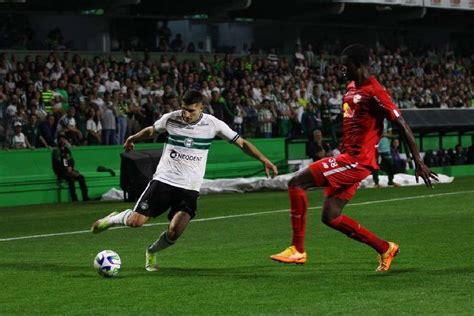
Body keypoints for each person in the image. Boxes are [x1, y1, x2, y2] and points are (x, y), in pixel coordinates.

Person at [270, 44, 438, 272]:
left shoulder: (375, 91)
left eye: (345, 65)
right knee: (331, 216)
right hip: (348, 157)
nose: (342, 69)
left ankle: (297, 249)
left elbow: (401, 123)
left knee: (296, 183)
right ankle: (385, 248)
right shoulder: (350, 87)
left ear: (358, 65)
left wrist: (418, 162)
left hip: (357, 161)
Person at [91, 90, 278, 272]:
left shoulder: (213, 124)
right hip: (164, 180)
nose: (186, 114)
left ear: (201, 108)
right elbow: (152, 130)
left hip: (189, 188)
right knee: (136, 222)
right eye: (184, 109)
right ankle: (113, 218)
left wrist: (263, 159)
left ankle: (151, 252)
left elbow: (242, 143)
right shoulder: (171, 118)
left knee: (174, 232)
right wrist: (133, 137)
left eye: (191, 111)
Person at [52, 134, 89, 202]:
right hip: (60, 171)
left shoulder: (66, 150)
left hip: (68, 170)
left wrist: (71, 168)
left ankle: (85, 197)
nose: (63, 141)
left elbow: (70, 160)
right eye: (61, 140)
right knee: (71, 179)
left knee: (81, 177)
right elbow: (59, 163)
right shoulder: (56, 151)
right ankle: (74, 198)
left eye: (64, 140)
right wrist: (67, 169)